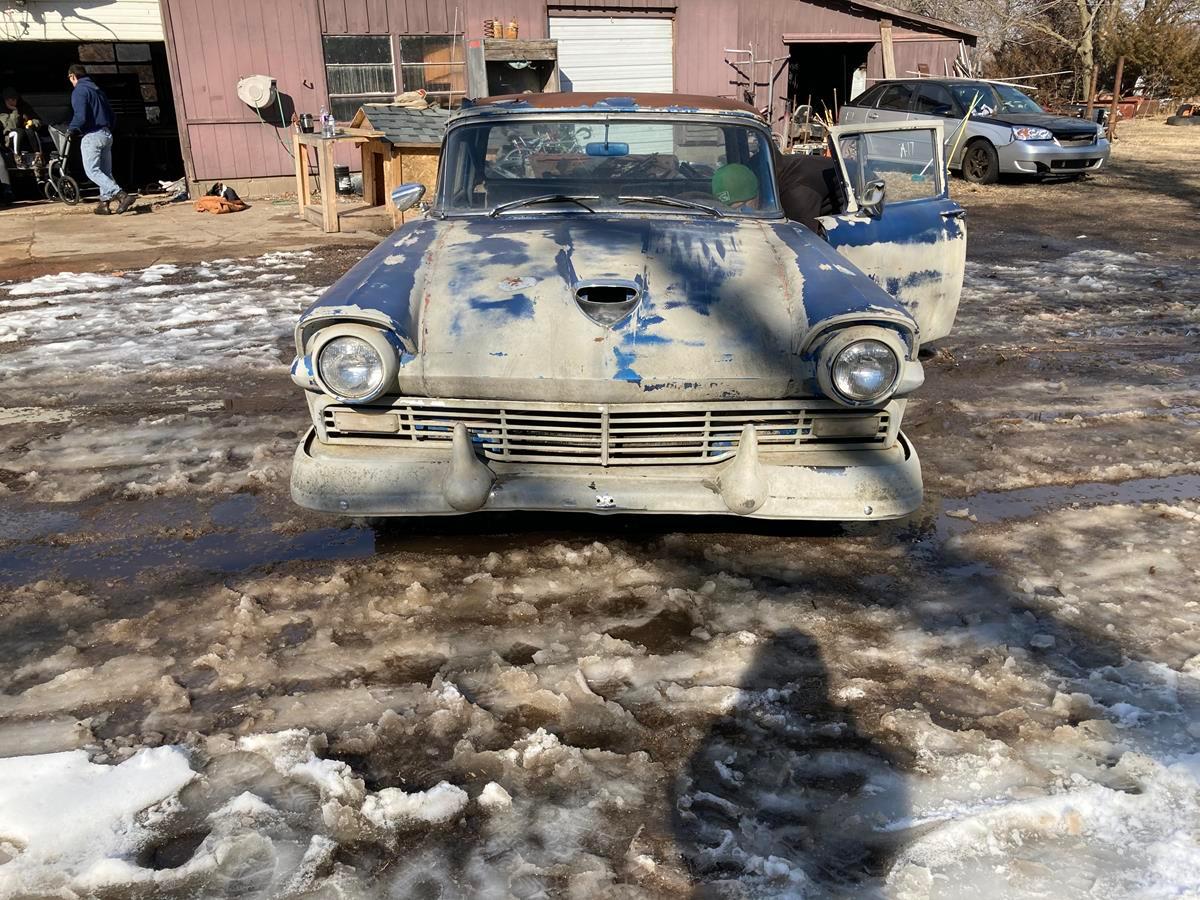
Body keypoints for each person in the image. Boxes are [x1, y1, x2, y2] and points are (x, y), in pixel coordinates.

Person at [67, 64, 134, 215]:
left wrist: (71, 129)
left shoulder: (79, 91)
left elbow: (80, 115)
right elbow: (112, 114)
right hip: (106, 133)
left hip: (92, 135)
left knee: (92, 171)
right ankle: (104, 204)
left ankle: (122, 195)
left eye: (70, 79)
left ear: (73, 76)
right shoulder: (97, 90)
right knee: (105, 172)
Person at [1, 87, 43, 162]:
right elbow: (12, 126)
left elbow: (37, 119)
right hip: (10, 137)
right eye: (9, 99)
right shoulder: (2, 111)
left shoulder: (23, 106)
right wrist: (15, 110)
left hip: (27, 136)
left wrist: (32, 122)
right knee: (18, 132)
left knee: (30, 130)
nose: (12, 101)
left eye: (14, 99)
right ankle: (17, 157)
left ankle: (38, 156)